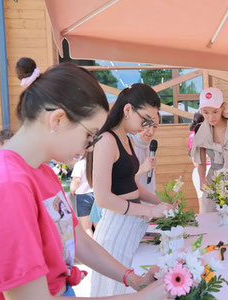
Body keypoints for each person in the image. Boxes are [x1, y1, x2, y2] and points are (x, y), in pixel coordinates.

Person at [0, 57, 170, 299]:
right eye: (90, 135)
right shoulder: (8, 186)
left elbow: (76, 237)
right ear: (58, 120)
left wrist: (133, 280)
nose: (90, 147)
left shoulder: (43, 172)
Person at [88, 83, 174, 296]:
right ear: (127, 110)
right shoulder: (107, 140)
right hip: (116, 228)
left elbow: (131, 185)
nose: (147, 127)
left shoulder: (126, 140)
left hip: (131, 226)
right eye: (145, 119)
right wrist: (149, 211)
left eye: (152, 123)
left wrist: (159, 203)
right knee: (116, 291)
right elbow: (103, 198)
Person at [190, 87, 228, 213]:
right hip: (213, 179)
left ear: (223, 107)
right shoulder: (201, 131)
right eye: (206, 112)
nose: (210, 117)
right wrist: (202, 179)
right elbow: (201, 163)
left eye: (215, 112)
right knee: (211, 220)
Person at [130, 113, 160, 194]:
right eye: (149, 125)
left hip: (149, 200)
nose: (151, 131)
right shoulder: (127, 144)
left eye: (155, 126)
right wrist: (142, 169)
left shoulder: (151, 145)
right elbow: (121, 182)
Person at [70, 158, 96, 237]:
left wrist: (72, 191)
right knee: (98, 226)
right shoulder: (97, 161)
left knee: (87, 227)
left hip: (84, 197)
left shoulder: (80, 164)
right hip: (96, 195)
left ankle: (91, 248)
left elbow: (76, 180)